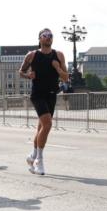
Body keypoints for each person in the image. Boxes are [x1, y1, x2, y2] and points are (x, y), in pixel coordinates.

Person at [19, 28, 69, 175]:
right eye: (45, 36)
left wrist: (58, 68)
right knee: (47, 124)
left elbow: (66, 78)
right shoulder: (32, 55)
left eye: (50, 36)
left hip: (52, 94)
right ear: (40, 39)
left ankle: (32, 156)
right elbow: (20, 72)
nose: (48, 38)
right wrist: (28, 75)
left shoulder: (58, 55)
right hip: (37, 94)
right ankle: (39, 161)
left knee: (41, 128)